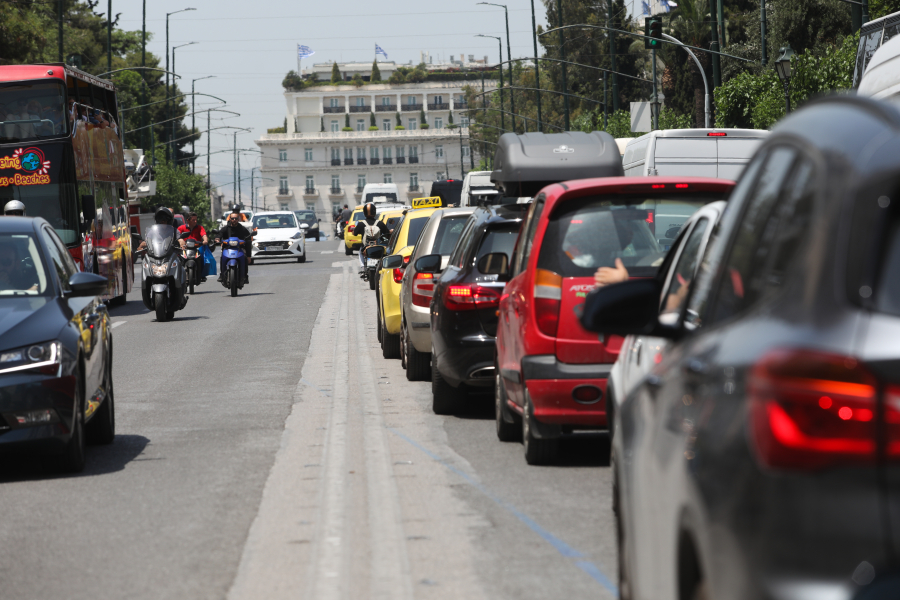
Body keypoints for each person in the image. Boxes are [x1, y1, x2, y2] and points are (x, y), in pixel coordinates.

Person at [351, 202, 390, 276]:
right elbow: (387, 233)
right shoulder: (380, 223)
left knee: (360, 252)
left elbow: (355, 233)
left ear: (364, 212)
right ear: (374, 212)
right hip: (378, 246)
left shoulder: (361, 224)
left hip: (365, 247)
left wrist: (354, 231)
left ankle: (363, 267)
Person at [215, 209, 252, 284]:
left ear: (238, 219)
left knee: (244, 258)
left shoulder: (242, 228)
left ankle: (245, 276)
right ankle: (222, 275)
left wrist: (249, 256)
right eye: (232, 218)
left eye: (236, 218)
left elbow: (248, 238)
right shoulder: (225, 228)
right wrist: (217, 239)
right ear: (230, 219)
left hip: (239, 249)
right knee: (222, 258)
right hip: (227, 249)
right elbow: (219, 234)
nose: (234, 220)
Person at [177, 212, 209, 282]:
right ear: (188, 220)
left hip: (196, 248)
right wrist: (181, 241)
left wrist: (205, 241)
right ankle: (178, 274)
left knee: (203, 258)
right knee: (178, 259)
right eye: (193, 220)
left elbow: (204, 235)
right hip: (185, 249)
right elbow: (177, 236)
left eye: (196, 220)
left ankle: (202, 274)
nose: (195, 221)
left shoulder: (200, 227)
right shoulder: (181, 228)